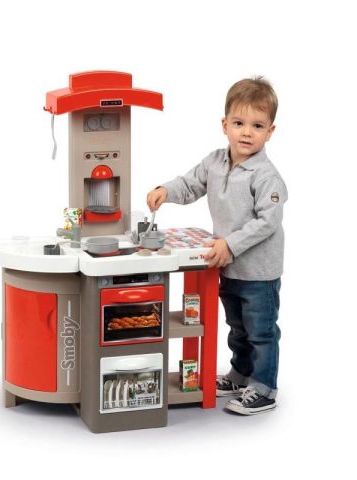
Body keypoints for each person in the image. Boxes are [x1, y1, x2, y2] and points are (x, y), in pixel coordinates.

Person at [147, 77, 287, 415]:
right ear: (225, 125)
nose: (247, 132)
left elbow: (267, 222)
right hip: (227, 266)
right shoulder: (214, 162)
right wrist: (166, 190)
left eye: (257, 126)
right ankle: (240, 375)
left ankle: (264, 388)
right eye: (239, 123)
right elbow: (190, 184)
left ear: (270, 131)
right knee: (237, 327)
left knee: (261, 331)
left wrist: (231, 244)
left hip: (259, 272)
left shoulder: (266, 176)